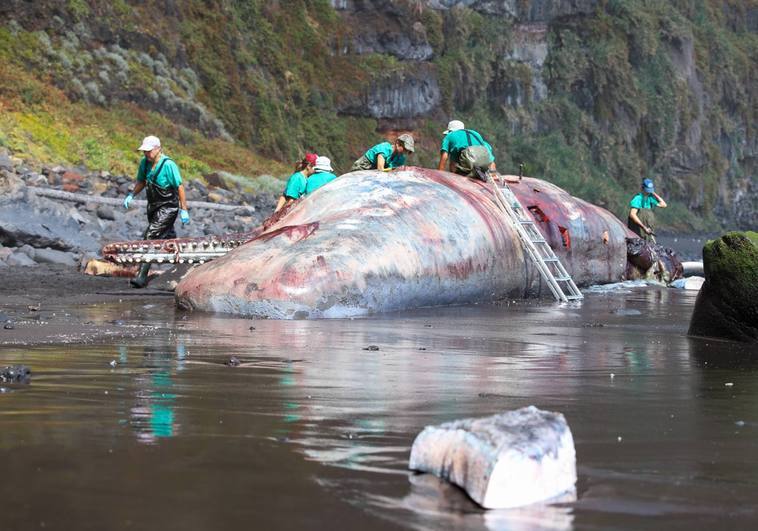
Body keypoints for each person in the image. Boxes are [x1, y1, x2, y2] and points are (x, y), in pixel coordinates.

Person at [123, 135, 189, 288]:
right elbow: (142, 181)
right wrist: (131, 194)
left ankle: (141, 277)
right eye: (144, 151)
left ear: (158, 149)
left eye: (148, 151)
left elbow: (179, 187)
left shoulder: (168, 164)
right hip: (153, 206)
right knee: (166, 237)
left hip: (168, 207)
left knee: (151, 236)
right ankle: (182, 267)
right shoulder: (145, 163)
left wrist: (183, 209)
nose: (146, 154)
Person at [628, 178, 667, 242]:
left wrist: (654, 193)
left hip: (648, 232)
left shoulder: (650, 198)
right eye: (647, 190)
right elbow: (632, 214)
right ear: (643, 188)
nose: (648, 192)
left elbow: (664, 204)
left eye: (650, 191)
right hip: (638, 231)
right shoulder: (638, 198)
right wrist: (644, 227)